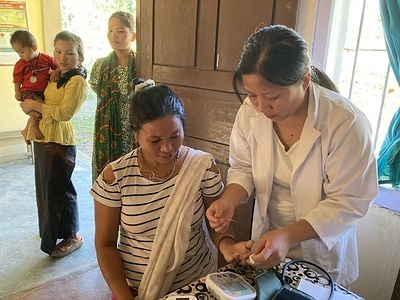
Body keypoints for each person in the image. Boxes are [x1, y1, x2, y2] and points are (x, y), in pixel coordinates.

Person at [206, 24, 378, 287]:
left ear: (305, 81)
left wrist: (288, 235)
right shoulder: (250, 113)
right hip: (269, 241)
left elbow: (348, 201)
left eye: (273, 96)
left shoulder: (346, 123)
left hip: (321, 248)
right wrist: (230, 199)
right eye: (252, 95)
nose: (262, 107)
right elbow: (243, 167)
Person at [90, 80, 253, 300]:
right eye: (155, 140)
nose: (167, 148)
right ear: (136, 135)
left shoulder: (201, 166)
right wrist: (124, 296)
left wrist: (228, 246)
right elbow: (105, 244)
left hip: (196, 285)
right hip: (137, 290)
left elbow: (216, 223)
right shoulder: (116, 177)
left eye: (175, 136)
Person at [20, 30, 87, 258]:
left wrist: (35, 106)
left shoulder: (77, 81)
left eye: (69, 53)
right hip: (43, 138)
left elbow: (64, 113)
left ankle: (73, 236)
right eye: (58, 51)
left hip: (59, 141)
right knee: (46, 190)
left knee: (61, 192)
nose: (62, 57)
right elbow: (46, 100)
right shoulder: (58, 75)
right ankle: (53, 233)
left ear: (79, 56)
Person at [89, 11, 137, 183]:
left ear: (133, 35)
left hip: (133, 127)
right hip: (106, 127)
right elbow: (94, 84)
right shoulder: (100, 64)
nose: (113, 35)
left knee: (132, 174)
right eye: (110, 30)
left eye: (120, 31)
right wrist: (111, 103)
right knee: (108, 178)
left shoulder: (141, 62)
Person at [10, 29, 58, 143]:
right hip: (28, 91)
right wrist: (17, 92)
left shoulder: (46, 58)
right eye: (17, 52)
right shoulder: (20, 64)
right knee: (39, 107)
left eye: (22, 51)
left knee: (38, 109)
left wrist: (57, 71)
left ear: (34, 47)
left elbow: (57, 65)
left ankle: (26, 130)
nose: (20, 55)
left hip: (42, 92)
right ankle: (34, 128)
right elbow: (17, 80)